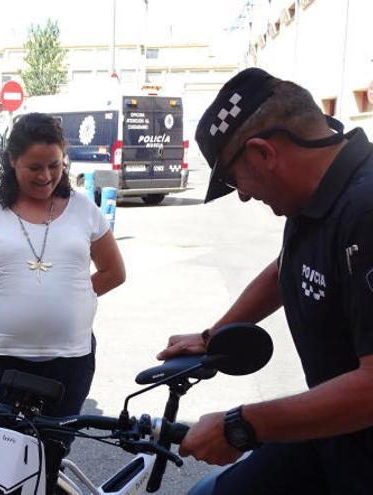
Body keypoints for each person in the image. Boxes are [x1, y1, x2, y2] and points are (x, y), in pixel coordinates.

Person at [157, 68, 373, 494]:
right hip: (335, 434)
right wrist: (213, 334)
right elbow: (284, 268)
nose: (241, 193)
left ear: (263, 153)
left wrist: (242, 426)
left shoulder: (366, 214)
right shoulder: (316, 197)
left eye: (235, 179)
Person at [0, 112, 126, 492]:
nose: (45, 176)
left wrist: (74, 296)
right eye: (34, 167)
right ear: (11, 161)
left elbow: (113, 272)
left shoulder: (84, 209)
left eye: (54, 166)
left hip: (67, 361)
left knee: (48, 459)